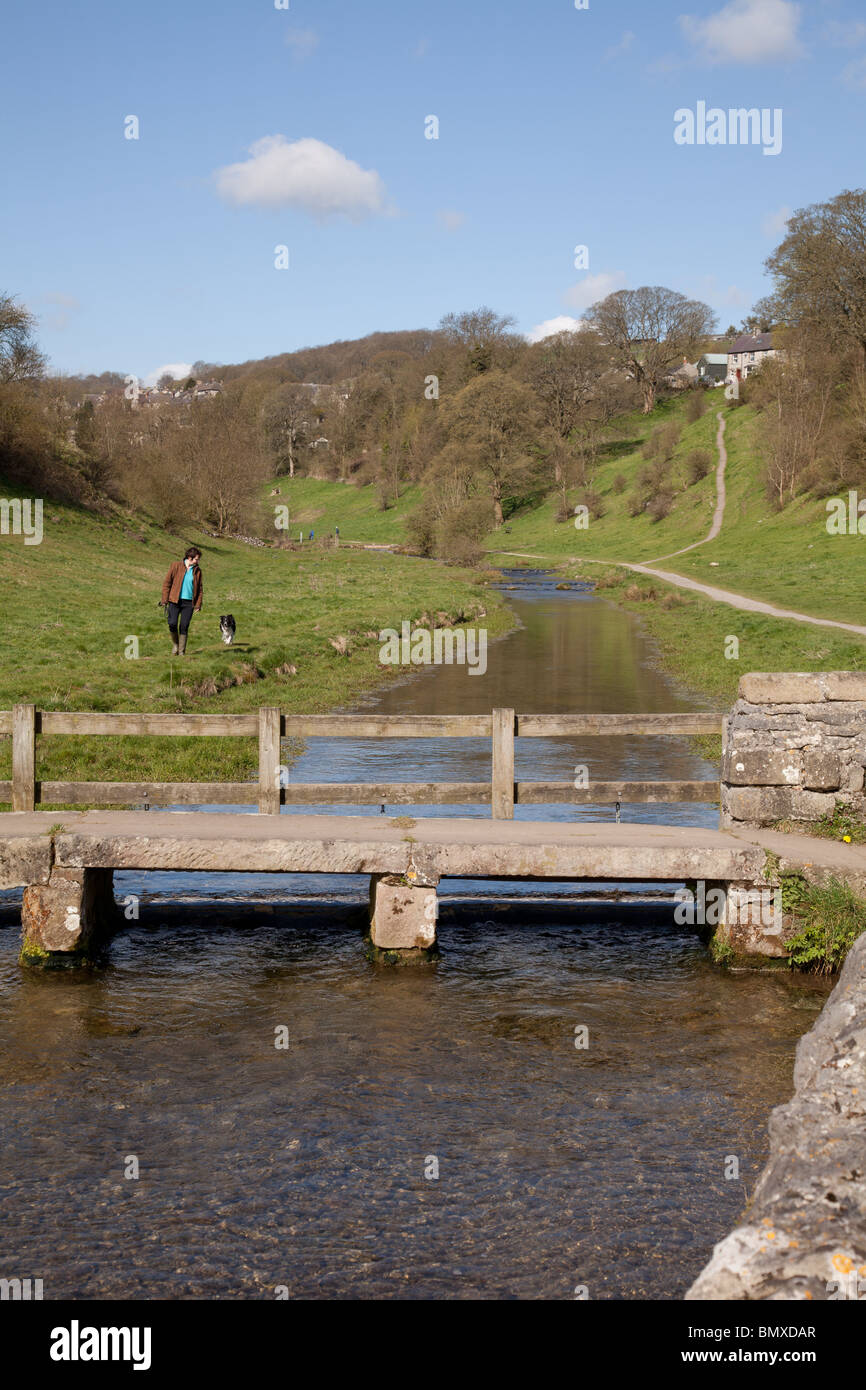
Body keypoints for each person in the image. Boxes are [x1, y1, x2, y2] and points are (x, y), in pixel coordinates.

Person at [160, 547, 203, 655]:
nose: (198, 561)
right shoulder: (175, 566)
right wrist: (164, 599)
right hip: (174, 601)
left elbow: (200, 589)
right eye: (196, 559)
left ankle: (181, 651)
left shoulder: (197, 571)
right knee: (172, 623)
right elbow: (167, 583)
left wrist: (198, 604)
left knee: (184, 625)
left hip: (189, 603)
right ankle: (175, 644)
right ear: (190, 557)